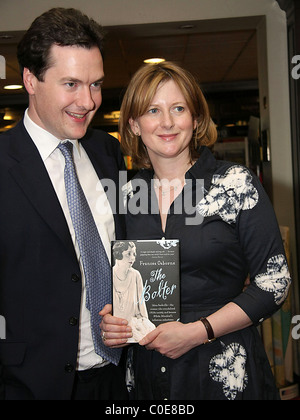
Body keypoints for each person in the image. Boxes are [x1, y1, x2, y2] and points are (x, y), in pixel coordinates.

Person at [100, 61, 292, 400]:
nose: (167, 122)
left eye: (178, 108)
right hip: (146, 375)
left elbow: (274, 282)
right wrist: (112, 319)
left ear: (196, 119)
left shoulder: (233, 183)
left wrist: (198, 331)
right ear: (133, 124)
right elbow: (120, 282)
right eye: (152, 110)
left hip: (222, 369)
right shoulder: (125, 195)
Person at [0, 8, 129, 400]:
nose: (88, 101)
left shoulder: (107, 151)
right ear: (30, 80)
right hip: (27, 385)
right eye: (71, 84)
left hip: (115, 378)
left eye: (95, 84)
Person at [112, 241, 156, 342]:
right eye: (128, 254)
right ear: (118, 254)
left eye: (134, 254)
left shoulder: (136, 275)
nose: (133, 258)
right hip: (117, 326)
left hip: (134, 322)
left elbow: (141, 302)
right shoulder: (110, 274)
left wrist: (146, 322)